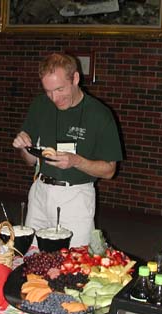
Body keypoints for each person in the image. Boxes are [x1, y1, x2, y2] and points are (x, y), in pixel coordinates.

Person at [12, 53, 123, 247]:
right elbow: (30, 160)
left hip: (76, 198)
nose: (54, 98)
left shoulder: (99, 114)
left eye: (60, 89)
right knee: (32, 255)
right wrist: (24, 146)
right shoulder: (40, 105)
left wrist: (76, 161)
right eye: (48, 91)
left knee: (73, 263)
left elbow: (109, 170)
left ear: (76, 79)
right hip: (40, 192)